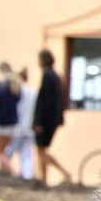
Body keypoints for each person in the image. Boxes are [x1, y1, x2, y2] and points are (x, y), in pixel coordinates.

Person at [32, 49, 70, 185]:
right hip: (52, 120)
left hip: (45, 121)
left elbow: (44, 101)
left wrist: (38, 122)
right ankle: (47, 177)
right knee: (42, 150)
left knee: (41, 150)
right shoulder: (56, 76)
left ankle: (47, 177)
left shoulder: (48, 75)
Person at [6, 67, 38, 181]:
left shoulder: (17, 92)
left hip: (18, 127)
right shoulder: (33, 93)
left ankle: (6, 172)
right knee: (26, 153)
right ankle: (27, 176)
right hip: (29, 128)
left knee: (8, 151)